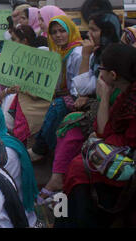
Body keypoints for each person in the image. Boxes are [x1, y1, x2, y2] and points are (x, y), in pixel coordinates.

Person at [37, 12, 122, 203]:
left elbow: (84, 89)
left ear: (107, 31)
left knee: (66, 119)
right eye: (54, 32)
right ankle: (54, 167)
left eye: (94, 30)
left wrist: (84, 56)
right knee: (66, 122)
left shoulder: (110, 55)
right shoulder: (96, 52)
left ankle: (54, 171)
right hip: (93, 102)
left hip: (104, 107)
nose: (88, 34)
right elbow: (84, 87)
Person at [56, 44, 136, 228]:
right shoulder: (124, 93)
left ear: (113, 75)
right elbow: (103, 131)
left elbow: (108, 134)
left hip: (128, 162)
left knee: (78, 170)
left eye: (101, 68)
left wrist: (104, 96)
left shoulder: (130, 98)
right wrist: (105, 96)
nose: (99, 72)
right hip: (117, 148)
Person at [28, 15, 83, 162]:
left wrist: (58, 93)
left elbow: (77, 88)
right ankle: (38, 145)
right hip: (65, 93)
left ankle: (41, 149)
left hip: (80, 98)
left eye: (62, 31)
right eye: (54, 32)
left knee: (57, 107)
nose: (58, 35)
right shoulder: (59, 51)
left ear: (70, 31)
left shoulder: (77, 53)